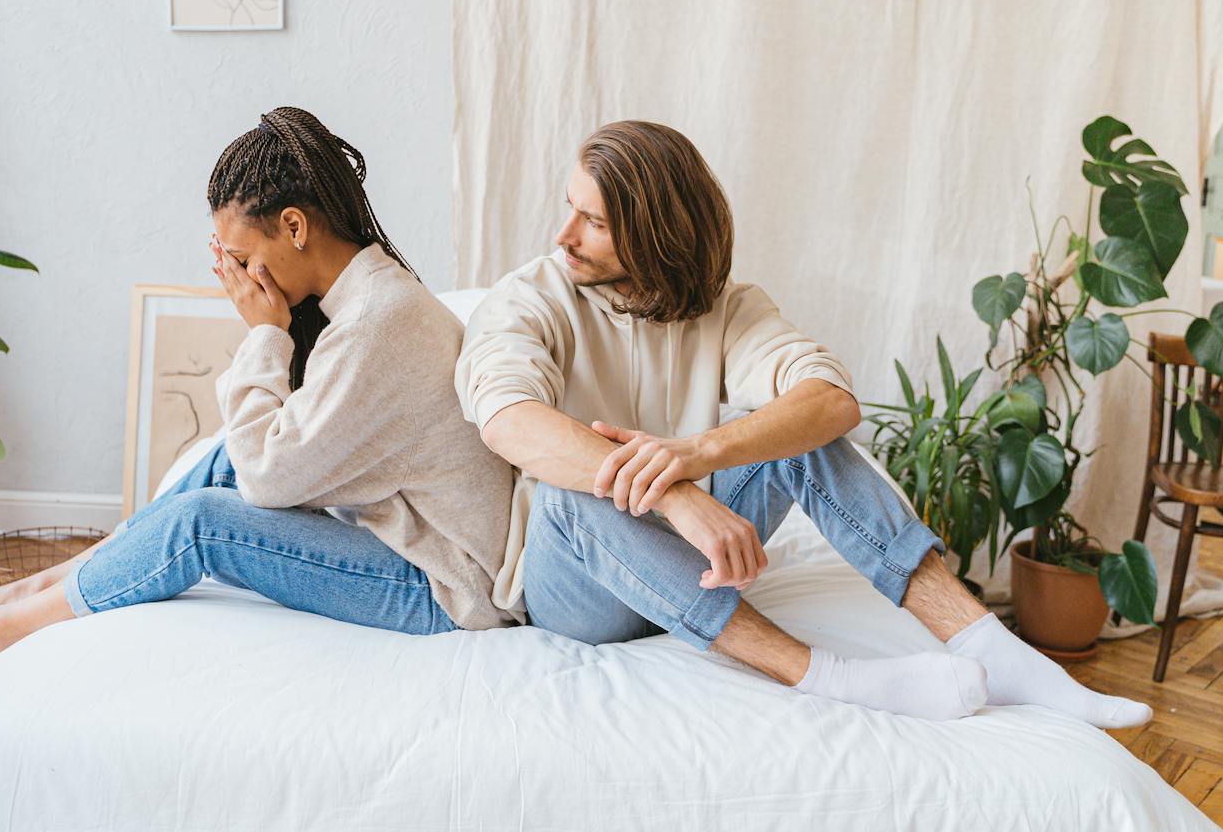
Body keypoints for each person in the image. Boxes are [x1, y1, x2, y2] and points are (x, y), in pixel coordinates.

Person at [455, 119, 1153, 727]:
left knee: (797, 432)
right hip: (583, 591)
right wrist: (677, 492)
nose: (564, 234)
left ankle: (988, 649)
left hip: (693, 567)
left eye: (595, 222)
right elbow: (509, 419)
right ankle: (829, 677)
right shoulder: (530, 298)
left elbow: (830, 399)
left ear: (656, 236)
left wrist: (700, 451)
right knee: (565, 492)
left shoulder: (724, 305)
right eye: (572, 208)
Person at [0, 107, 521, 673]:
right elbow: (272, 455)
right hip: (418, 549)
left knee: (199, 524)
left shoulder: (381, 321)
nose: (236, 278)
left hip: (447, 588)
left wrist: (266, 334)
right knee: (222, 457)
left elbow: (269, 480)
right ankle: (48, 583)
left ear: (294, 226)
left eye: (240, 258)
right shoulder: (369, 300)